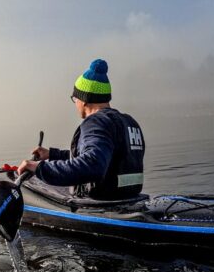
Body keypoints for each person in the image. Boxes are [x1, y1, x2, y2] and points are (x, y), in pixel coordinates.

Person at [17, 59, 145, 200]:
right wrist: (52, 154)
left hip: (101, 203)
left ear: (83, 100)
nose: (75, 103)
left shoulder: (96, 122)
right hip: (130, 198)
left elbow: (92, 165)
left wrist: (38, 167)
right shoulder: (129, 122)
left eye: (75, 98)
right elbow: (106, 156)